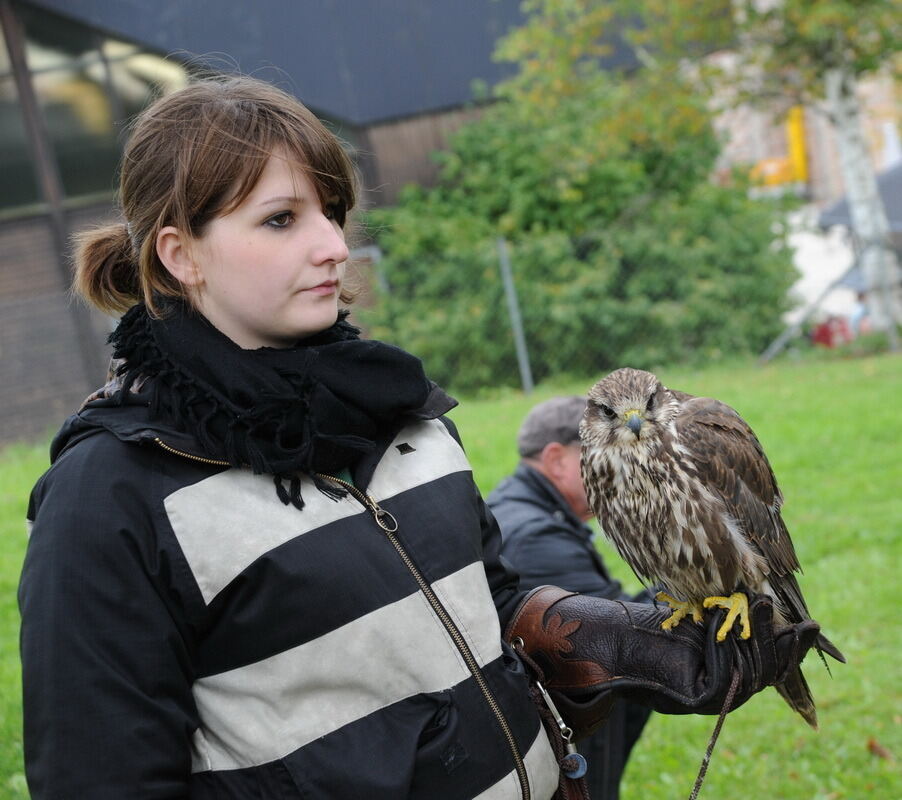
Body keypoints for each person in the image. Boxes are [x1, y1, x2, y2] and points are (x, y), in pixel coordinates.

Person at [19, 75, 822, 800]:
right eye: (280, 219)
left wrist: (609, 640)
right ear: (179, 252)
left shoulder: (402, 412)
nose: (333, 244)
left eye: (332, 212)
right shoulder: (112, 494)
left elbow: (485, 600)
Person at [487, 396, 653, 800]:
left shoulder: (526, 509)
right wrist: (696, 589)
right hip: (567, 745)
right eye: (607, 456)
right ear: (558, 460)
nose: (622, 472)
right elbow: (622, 639)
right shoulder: (538, 539)